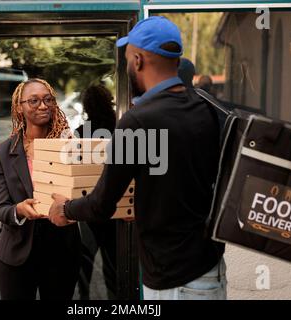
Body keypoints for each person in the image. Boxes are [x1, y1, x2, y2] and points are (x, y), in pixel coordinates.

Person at [48, 16, 226, 300]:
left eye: (129, 57)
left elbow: (101, 205)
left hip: (175, 280)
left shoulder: (139, 121)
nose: (128, 64)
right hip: (210, 268)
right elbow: (179, 179)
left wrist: (65, 210)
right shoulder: (206, 109)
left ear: (139, 60)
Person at [0, 78, 81, 300]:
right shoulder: (4, 151)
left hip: (61, 251)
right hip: (16, 255)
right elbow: (1, 208)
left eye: (47, 99)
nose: (42, 106)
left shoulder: (69, 146)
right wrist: (19, 210)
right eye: (33, 101)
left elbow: (85, 192)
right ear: (19, 107)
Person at [75, 85, 118, 300]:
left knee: (86, 258)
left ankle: (83, 299)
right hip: (115, 203)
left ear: (87, 106)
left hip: (88, 202)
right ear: (109, 101)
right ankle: (115, 298)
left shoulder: (81, 133)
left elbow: (75, 168)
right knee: (113, 260)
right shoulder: (119, 128)